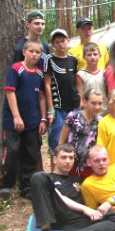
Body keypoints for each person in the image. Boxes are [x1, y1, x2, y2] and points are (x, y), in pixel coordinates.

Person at [31, 144, 115, 231]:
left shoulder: (79, 180)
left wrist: (104, 209)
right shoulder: (47, 179)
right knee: (38, 176)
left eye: (71, 158)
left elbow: (91, 202)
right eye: (64, 157)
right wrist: (86, 209)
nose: (68, 161)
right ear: (55, 159)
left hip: (75, 220)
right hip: (55, 213)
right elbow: (61, 198)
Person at [0, 41, 47, 198]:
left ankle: (26, 187)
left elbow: (41, 97)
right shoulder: (16, 69)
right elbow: (10, 92)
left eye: (37, 52)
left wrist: (43, 119)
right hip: (13, 121)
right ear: (24, 52)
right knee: (12, 151)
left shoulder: (39, 73)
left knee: (30, 153)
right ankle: (6, 184)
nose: (34, 54)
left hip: (33, 121)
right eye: (31, 51)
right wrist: (16, 116)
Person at [43, 28, 80, 169]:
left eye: (63, 41)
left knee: (74, 139)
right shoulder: (49, 59)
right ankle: (55, 175)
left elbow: (76, 81)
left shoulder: (73, 60)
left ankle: (72, 173)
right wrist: (51, 109)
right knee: (56, 141)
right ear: (53, 44)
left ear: (68, 41)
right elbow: (47, 84)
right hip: (58, 107)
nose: (60, 44)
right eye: (57, 42)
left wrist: (80, 101)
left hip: (74, 105)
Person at [58, 88, 104, 178]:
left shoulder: (101, 121)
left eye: (100, 103)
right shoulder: (73, 116)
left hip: (90, 166)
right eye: (93, 103)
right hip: (71, 164)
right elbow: (61, 142)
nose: (97, 107)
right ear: (85, 101)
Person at [75, 43, 107, 109]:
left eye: (95, 54)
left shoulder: (104, 73)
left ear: (100, 56)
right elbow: (80, 97)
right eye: (89, 55)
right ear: (84, 57)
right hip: (89, 111)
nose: (92, 57)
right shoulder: (80, 75)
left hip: (104, 110)